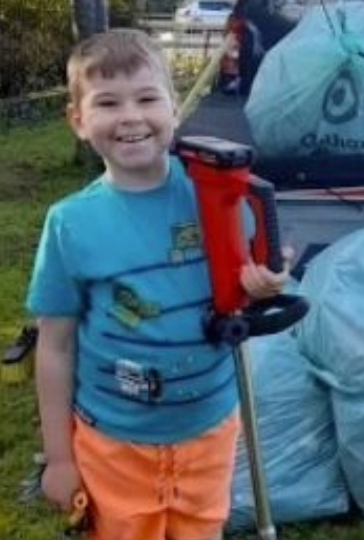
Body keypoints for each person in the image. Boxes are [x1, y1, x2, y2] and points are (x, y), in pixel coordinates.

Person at [27, 28, 290, 540]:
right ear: (79, 121)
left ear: (174, 109)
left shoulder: (214, 192)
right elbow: (55, 348)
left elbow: (255, 275)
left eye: (147, 98)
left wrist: (264, 284)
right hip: (113, 443)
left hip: (208, 430)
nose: (130, 116)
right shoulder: (70, 224)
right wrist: (59, 458)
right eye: (108, 102)